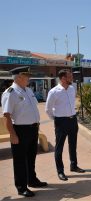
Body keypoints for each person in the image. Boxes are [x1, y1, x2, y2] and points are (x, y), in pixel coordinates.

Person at [1, 66, 47, 197]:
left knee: (31, 158)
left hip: (32, 129)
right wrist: (13, 134)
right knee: (20, 160)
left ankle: (32, 180)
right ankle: (21, 187)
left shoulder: (27, 90)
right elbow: (7, 116)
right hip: (20, 130)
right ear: (19, 77)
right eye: (27, 76)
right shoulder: (10, 93)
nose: (29, 78)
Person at [45, 69, 85, 181]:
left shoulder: (72, 89)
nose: (72, 78)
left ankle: (74, 165)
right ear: (63, 78)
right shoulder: (54, 92)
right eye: (70, 76)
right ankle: (60, 171)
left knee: (73, 145)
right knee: (59, 147)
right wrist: (57, 119)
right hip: (61, 122)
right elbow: (48, 109)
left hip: (72, 120)